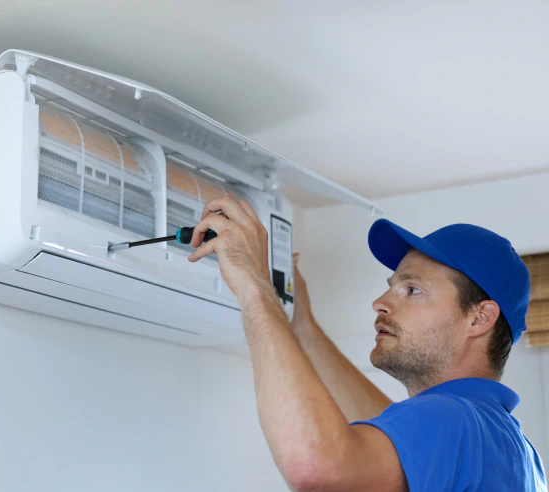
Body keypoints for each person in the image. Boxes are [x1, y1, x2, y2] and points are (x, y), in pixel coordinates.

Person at [187, 196, 547, 492]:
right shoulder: (510, 446)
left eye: (412, 289)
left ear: (479, 318)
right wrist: (303, 328)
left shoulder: (453, 420)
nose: (381, 302)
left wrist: (253, 284)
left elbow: (317, 471)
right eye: (391, 286)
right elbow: (392, 428)